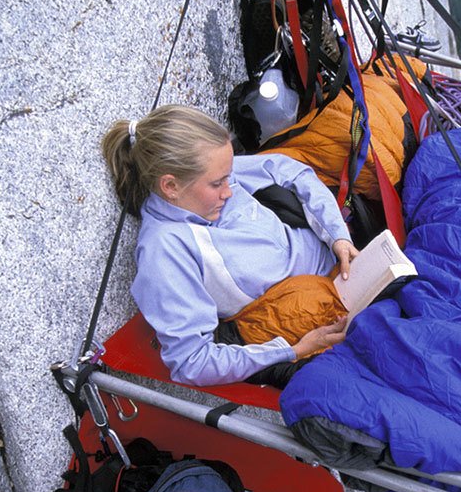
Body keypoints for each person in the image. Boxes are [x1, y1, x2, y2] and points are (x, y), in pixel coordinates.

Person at [101, 105, 359, 387]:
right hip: (309, 319)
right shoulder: (164, 251)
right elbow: (192, 362)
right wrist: (292, 350)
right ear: (170, 187)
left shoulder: (212, 180)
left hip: (345, 267)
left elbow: (291, 171)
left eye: (229, 175)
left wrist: (338, 236)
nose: (229, 189)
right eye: (217, 183)